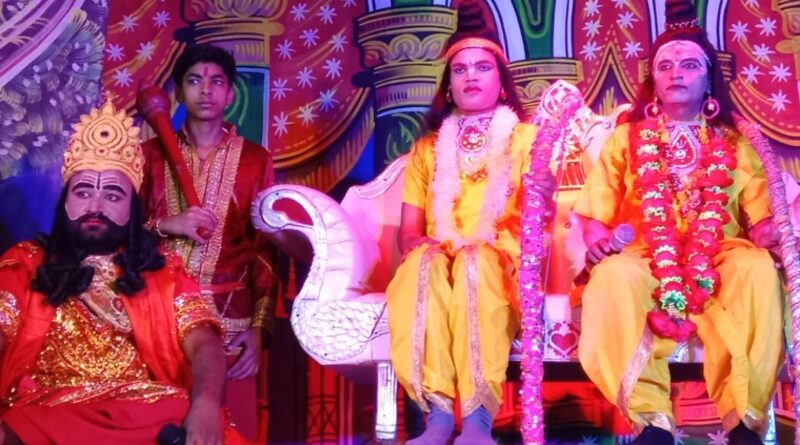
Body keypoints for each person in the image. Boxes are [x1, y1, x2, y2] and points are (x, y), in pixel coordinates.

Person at [573, 1, 783, 444]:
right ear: (654, 80)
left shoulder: (735, 141)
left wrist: (775, 234)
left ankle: (743, 420)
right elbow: (594, 216)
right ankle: (652, 422)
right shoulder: (626, 138)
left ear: (708, 78)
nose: (676, 74)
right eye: (665, 66)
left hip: (719, 255)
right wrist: (599, 241)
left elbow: (762, 218)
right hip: (645, 255)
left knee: (757, 269)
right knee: (612, 276)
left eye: (689, 65)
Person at [0, 100, 248, 444]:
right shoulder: (26, 263)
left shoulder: (162, 270)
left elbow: (204, 343)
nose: (95, 206)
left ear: (132, 209)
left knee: (199, 420)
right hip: (49, 409)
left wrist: (206, 404)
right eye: (83, 192)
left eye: (113, 195)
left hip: (141, 411)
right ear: (65, 201)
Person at [385, 1, 555, 444]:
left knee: (475, 262)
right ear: (448, 86)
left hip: (503, 259)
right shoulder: (427, 148)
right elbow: (408, 231)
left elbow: (541, 217)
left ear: (501, 82)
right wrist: (419, 246)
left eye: (482, 67)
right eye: (459, 70)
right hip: (442, 255)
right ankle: (438, 416)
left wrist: (545, 189)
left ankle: (478, 421)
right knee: (420, 266)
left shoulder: (526, 139)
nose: (470, 76)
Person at [140, 44, 275, 440]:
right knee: (156, 428)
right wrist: (167, 224)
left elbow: (264, 250)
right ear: (179, 93)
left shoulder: (255, 160)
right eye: (194, 80)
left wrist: (260, 328)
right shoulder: (148, 156)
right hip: (158, 318)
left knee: (230, 431)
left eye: (217, 82)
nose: (206, 90)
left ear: (230, 94)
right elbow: (121, 236)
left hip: (231, 324)